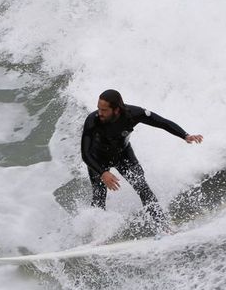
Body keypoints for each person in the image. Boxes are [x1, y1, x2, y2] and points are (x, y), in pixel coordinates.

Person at [81, 89, 203, 233]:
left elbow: (162, 122)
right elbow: (85, 154)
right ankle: (98, 235)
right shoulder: (92, 120)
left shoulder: (133, 114)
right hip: (98, 159)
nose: (99, 113)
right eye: (98, 108)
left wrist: (185, 135)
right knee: (99, 194)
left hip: (123, 155)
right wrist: (103, 173)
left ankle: (163, 226)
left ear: (116, 110)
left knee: (142, 187)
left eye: (104, 110)